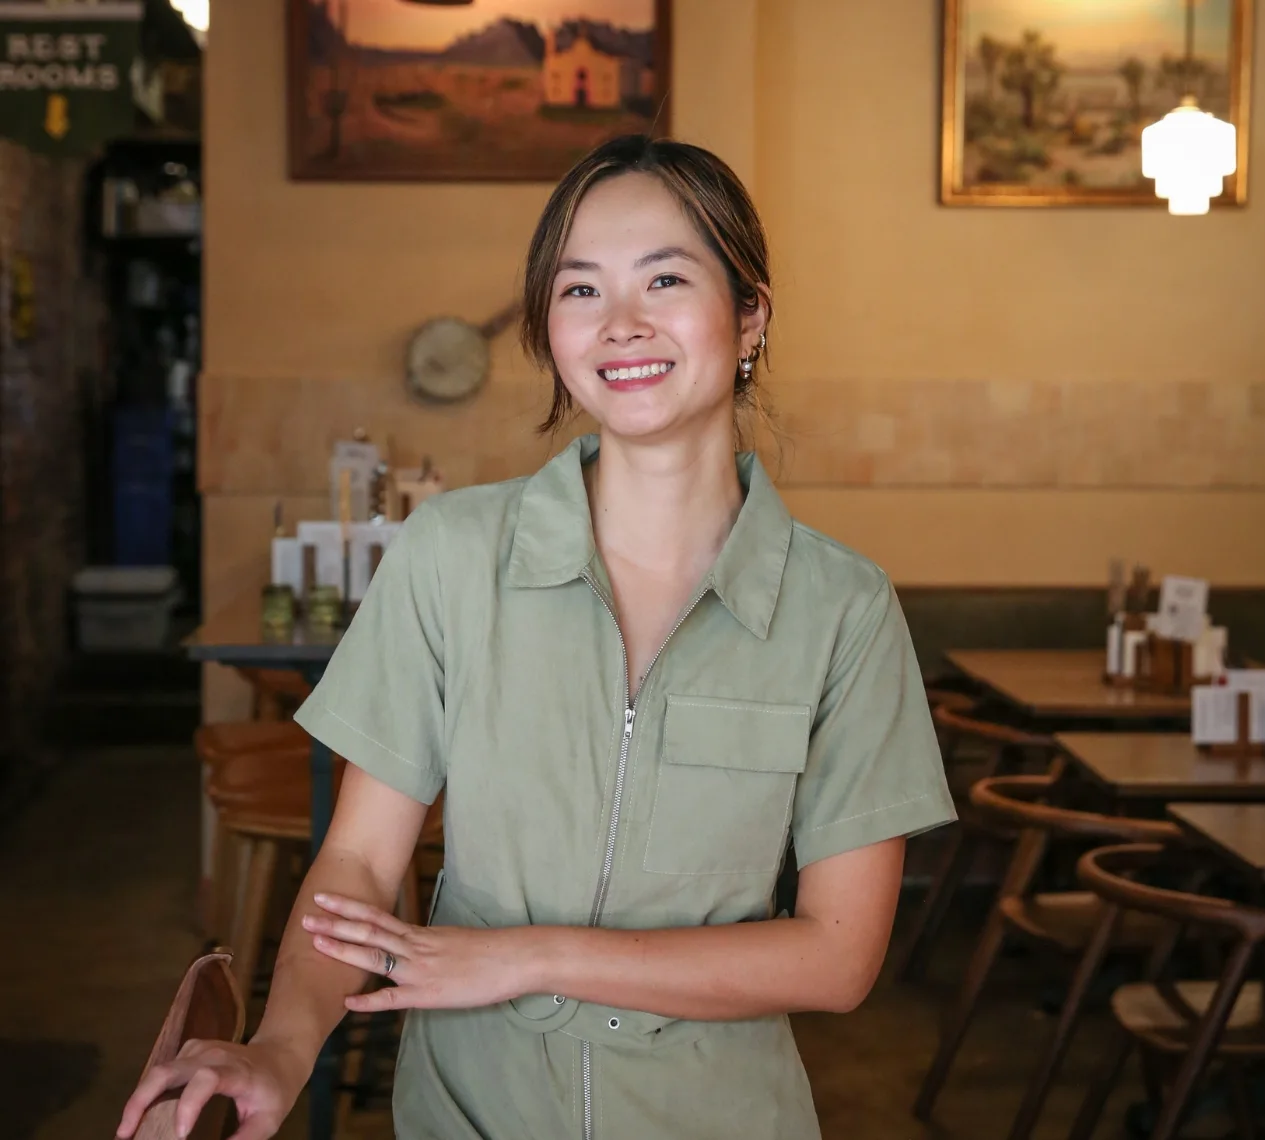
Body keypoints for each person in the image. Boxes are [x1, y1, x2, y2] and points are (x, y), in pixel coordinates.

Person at [119, 135, 957, 1140]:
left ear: (750, 317)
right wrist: (281, 1049)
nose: (622, 324)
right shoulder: (450, 557)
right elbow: (358, 866)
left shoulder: (843, 609)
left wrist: (529, 956)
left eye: (666, 277)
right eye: (579, 291)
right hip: (471, 1111)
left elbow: (837, 955)